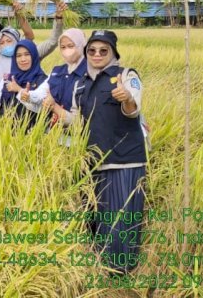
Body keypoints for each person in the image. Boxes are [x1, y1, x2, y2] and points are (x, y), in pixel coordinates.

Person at [62, 30, 147, 273]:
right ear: (86, 53)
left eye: (103, 50)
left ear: (113, 52)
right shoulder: (80, 83)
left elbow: (133, 109)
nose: (97, 55)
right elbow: (78, 120)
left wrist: (127, 98)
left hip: (124, 161)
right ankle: (102, 266)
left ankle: (122, 272)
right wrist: (55, 109)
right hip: (93, 162)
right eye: (92, 50)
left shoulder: (126, 75)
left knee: (121, 218)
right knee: (99, 218)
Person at [0, 2, 68, 104]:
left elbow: (53, 41)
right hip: (3, 109)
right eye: (2, 43)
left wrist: (58, 18)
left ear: (18, 41)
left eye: (9, 41)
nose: (6, 45)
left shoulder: (30, 53)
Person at [30, 28, 87, 131]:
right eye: (63, 47)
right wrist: (26, 95)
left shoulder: (90, 73)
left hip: (76, 135)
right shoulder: (57, 71)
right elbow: (41, 92)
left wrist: (54, 106)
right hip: (51, 130)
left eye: (71, 46)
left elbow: (84, 119)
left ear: (82, 45)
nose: (67, 50)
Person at [0, 40, 47, 130]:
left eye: (27, 54)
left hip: (30, 135)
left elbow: (42, 109)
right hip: (2, 132)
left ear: (34, 56)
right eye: (18, 56)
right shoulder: (8, 78)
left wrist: (19, 90)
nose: (23, 59)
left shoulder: (43, 80)